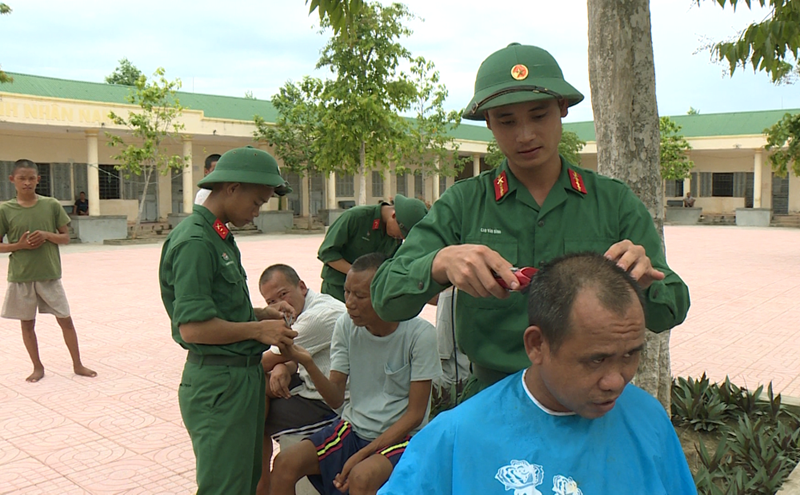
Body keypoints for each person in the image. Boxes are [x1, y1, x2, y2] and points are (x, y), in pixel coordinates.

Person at [371, 42, 690, 398]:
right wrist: (439, 263)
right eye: (507, 121)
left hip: (590, 399)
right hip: (493, 398)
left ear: (562, 108)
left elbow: (672, 309)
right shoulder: (464, 203)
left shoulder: (614, 203)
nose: (524, 135)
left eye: (538, 115)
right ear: (488, 123)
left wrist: (644, 283)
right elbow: (385, 298)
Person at [378, 252, 697, 494]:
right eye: (595, 360)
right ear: (537, 345)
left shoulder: (648, 420)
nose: (616, 381)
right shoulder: (455, 438)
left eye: (630, 354)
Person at [159, 146, 298, 494]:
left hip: (240, 380)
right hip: (219, 384)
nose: (257, 212)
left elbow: (217, 310)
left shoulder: (218, 235)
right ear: (232, 187)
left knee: (242, 482)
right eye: (256, 202)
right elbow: (192, 327)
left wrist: (263, 313)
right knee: (225, 488)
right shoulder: (195, 242)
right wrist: (259, 329)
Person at [270, 253, 442, 495]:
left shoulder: (420, 335)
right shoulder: (346, 325)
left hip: (402, 437)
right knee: (284, 463)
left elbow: (414, 415)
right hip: (353, 427)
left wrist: (362, 454)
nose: (350, 302)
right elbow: (336, 399)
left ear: (386, 295)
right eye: (347, 292)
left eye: (360, 296)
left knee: (361, 477)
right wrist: (306, 362)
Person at [0, 159, 96, 383]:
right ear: (12, 180)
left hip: (50, 274)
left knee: (65, 319)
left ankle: (78, 364)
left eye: (31, 178)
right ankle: (37, 367)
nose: (27, 183)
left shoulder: (51, 205)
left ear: (38, 180)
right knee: (27, 323)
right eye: (22, 178)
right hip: (21, 276)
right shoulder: (5, 209)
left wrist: (46, 235)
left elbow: (65, 237)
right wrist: (19, 246)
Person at [255, 264, 346, 495]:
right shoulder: (309, 307)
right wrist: (284, 366)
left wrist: (279, 363)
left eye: (283, 294)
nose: (279, 305)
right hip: (314, 386)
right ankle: (261, 483)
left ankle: (261, 485)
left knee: (253, 398)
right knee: (259, 390)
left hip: (332, 402)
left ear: (302, 287)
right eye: (271, 302)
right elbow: (296, 355)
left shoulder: (318, 316)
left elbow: (264, 360)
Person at [318, 194, 427, 303]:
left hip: (369, 295)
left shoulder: (393, 235)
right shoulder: (356, 217)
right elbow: (327, 252)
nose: (401, 238)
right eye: (401, 234)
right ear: (393, 216)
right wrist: (358, 274)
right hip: (337, 291)